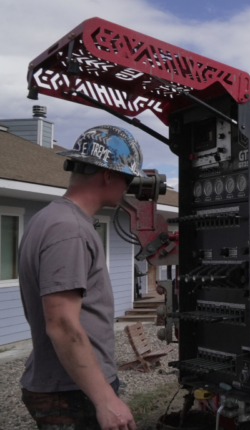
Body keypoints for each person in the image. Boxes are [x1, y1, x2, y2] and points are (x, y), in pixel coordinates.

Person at [18, 126, 145, 430]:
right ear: (107, 175)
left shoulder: (48, 219)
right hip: (71, 394)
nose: (127, 188)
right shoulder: (69, 229)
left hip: (70, 388)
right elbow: (62, 323)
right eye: (127, 178)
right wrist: (105, 400)